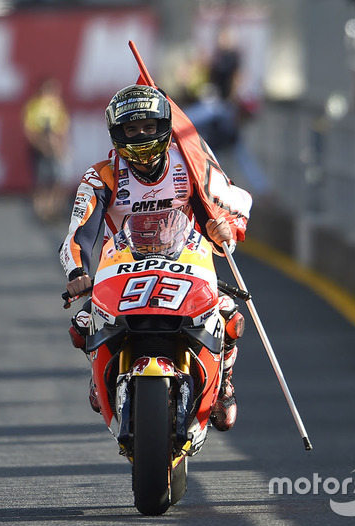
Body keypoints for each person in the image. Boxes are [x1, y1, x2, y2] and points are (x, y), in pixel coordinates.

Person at [60, 84, 249, 431]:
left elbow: (226, 204)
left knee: (229, 313)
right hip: (122, 268)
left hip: (187, 262)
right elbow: (80, 233)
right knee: (83, 323)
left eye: (148, 127)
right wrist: (77, 273)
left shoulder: (190, 163)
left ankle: (224, 382)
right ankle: (99, 371)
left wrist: (225, 229)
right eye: (131, 129)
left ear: (164, 126)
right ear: (117, 134)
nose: (141, 136)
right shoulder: (101, 175)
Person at [23, 77, 71, 222]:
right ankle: (42, 210)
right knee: (43, 181)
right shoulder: (35, 106)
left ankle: (54, 209)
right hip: (40, 148)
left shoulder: (57, 105)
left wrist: (62, 146)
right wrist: (42, 145)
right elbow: (30, 129)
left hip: (54, 148)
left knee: (58, 180)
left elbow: (63, 128)